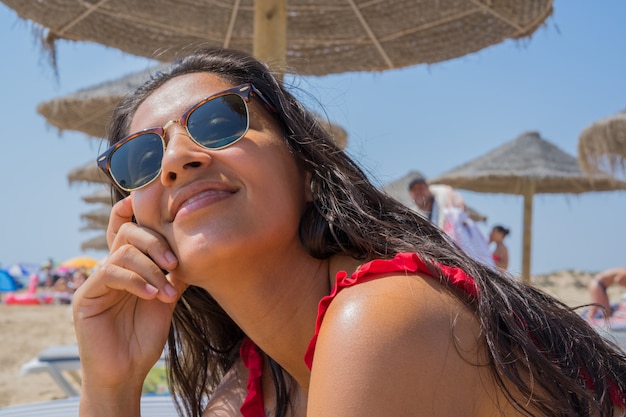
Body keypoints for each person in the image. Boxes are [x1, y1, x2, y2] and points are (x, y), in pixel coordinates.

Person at [73, 47, 626, 417]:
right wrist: (112, 383)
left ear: (309, 170)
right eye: (140, 159)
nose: (175, 161)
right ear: (134, 222)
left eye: (219, 122)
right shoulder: (254, 388)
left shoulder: (381, 321)